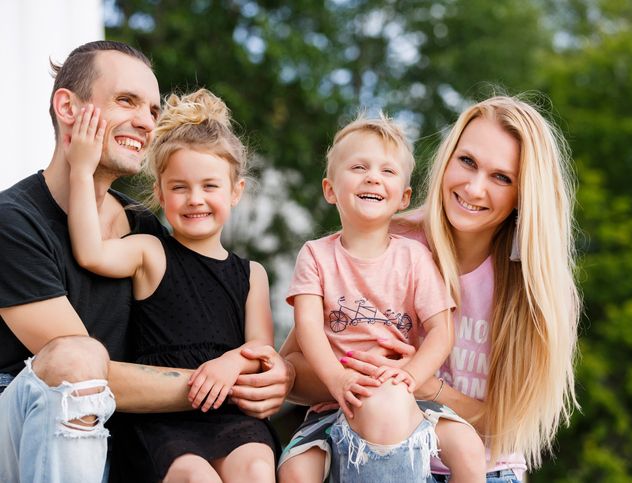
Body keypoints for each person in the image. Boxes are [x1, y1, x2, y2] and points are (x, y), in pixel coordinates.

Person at [0, 41, 291, 483]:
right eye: (126, 101)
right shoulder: (13, 222)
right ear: (68, 107)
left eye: (153, 110)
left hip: (132, 433)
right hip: (26, 433)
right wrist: (229, 385)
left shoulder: (146, 228)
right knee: (79, 359)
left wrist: (272, 375)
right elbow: (88, 380)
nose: (144, 121)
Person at [281, 95, 580, 482]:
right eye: (467, 162)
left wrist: (427, 386)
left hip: (487, 469)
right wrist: (364, 374)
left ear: (524, 193)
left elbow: (507, 424)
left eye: (501, 177)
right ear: (447, 159)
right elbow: (291, 373)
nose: (474, 188)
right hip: (381, 458)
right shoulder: (386, 242)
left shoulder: (535, 289)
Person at [65, 88, 277, 482]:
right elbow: (91, 252)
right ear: (160, 193)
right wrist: (81, 171)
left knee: (258, 468)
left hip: (227, 413)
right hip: (161, 419)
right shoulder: (149, 251)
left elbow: (260, 350)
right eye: (179, 187)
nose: (195, 199)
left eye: (210, 186)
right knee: (197, 477)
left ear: (236, 192)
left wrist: (231, 362)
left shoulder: (252, 275)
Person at [277, 115, 486, 483]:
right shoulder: (315, 255)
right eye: (358, 167)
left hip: (409, 403)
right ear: (330, 189)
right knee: (295, 471)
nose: (373, 177)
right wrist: (338, 380)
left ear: (403, 197)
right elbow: (307, 328)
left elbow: (441, 331)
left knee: (469, 449)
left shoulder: (414, 258)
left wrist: (409, 376)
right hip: (334, 405)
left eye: (388, 171)